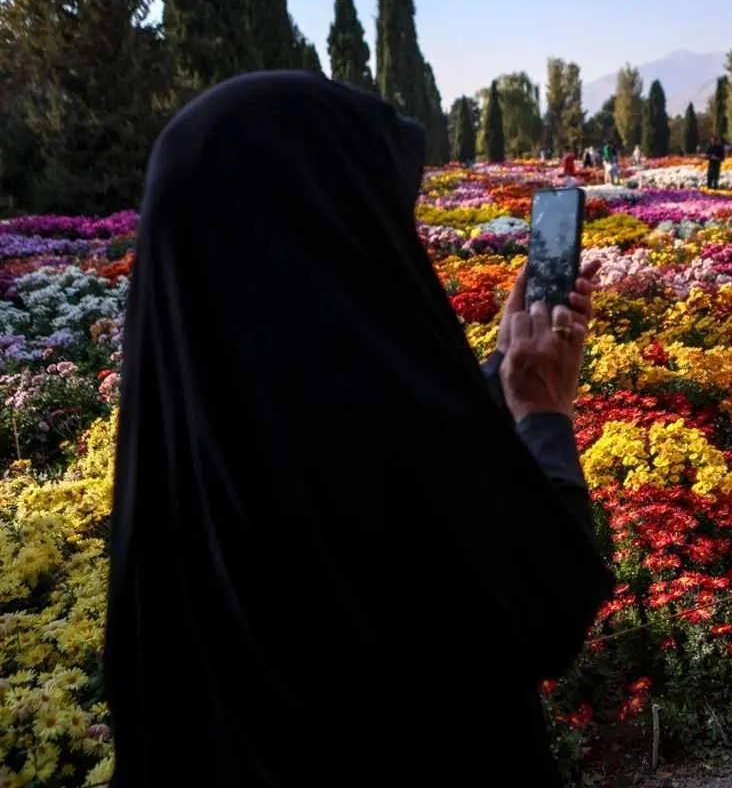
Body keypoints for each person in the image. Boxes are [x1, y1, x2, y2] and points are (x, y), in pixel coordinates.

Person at [103, 71, 615, 787]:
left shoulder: (192, 438)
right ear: (322, 224)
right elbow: (541, 607)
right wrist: (545, 416)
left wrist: (503, 369)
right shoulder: (338, 447)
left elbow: (403, 447)